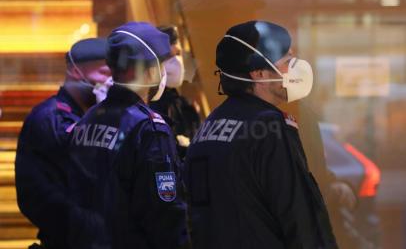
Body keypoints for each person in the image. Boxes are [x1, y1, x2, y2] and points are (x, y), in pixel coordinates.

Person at [185, 20, 338, 249]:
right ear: (259, 74)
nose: (295, 67)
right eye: (287, 61)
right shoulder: (270, 127)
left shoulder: (210, 125)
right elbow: (299, 214)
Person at [67, 22, 189, 249]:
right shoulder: (150, 129)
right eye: (161, 64)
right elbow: (165, 214)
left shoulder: (88, 119)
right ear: (150, 70)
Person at [15, 38, 111, 249]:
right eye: (105, 73)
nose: (111, 82)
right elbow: (84, 169)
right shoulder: (51, 118)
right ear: (76, 71)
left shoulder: (90, 114)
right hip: (68, 239)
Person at [150, 25, 200, 158]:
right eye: (169, 57)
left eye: (178, 55)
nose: (177, 63)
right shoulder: (149, 106)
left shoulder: (182, 105)